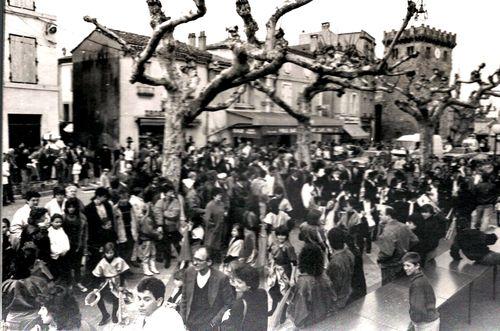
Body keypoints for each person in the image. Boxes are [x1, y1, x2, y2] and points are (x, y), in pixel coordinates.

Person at [180, 246, 235, 331]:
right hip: (190, 322)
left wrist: (214, 322)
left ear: (209, 262)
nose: (195, 263)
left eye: (199, 260)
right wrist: (183, 319)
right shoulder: (189, 272)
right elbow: (184, 298)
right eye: (194, 259)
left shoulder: (221, 278)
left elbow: (229, 303)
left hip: (208, 325)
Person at [287, 243, 336, 328]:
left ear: (303, 260)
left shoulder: (303, 281)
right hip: (324, 318)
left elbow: (299, 312)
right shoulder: (324, 276)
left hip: (310, 323)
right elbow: (332, 297)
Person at [377, 207, 419, 285]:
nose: (379, 216)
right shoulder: (404, 226)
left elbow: (387, 253)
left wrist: (379, 258)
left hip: (389, 265)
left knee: (387, 287)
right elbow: (415, 239)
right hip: (402, 261)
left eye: (381, 214)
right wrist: (404, 249)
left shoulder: (388, 231)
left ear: (388, 216)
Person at [90, 242, 129, 326]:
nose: (109, 254)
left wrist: (122, 285)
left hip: (117, 281)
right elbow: (96, 275)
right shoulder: (102, 262)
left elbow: (123, 273)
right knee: (98, 296)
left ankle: (114, 314)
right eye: (107, 253)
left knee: (116, 298)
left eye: (111, 252)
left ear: (114, 252)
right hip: (106, 282)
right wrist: (96, 287)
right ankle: (105, 315)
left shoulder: (119, 260)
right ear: (104, 253)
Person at [221, 264, 268, 331]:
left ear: (249, 285)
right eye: (235, 281)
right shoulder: (263, 293)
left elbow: (229, 327)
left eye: (239, 282)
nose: (235, 284)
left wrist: (224, 318)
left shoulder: (240, 304)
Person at [402, 252, 440, 331]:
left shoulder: (417, 284)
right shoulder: (421, 278)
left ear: (417, 266)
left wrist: (414, 320)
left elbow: (418, 307)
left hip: (426, 325)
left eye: (408, 265)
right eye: (404, 265)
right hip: (431, 320)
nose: (405, 268)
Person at [63, 197, 89, 292]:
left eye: (73, 207)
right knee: (67, 266)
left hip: (78, 246)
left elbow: (85, 234)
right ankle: (69, 284)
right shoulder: (63, 218)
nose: (71, 209)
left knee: (77, 266)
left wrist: (84, 247)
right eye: (69, 207)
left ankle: (78, 282)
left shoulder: (82, 217)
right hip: (66, 246)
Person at [153, 183, 181, 268]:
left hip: (173, 226)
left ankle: (183, 259)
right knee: (166, 245)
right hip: (164, 227)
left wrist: (164, 213)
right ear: (165, 192)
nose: (171, 193)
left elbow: (175, 213)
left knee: (177, 244)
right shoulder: (160, 202)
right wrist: (160, 224)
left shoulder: (175, 201)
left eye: (172, 191)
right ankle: (167, 261)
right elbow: (157, 214)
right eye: (169, 191)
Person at [326, 227, 355, 309]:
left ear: (330, 242)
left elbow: (334, 285)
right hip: (347, 292)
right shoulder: (349, 253)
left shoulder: (335, 262)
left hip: (338, 300)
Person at [47, 214, 71, 282]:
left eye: (60, 222)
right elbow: (51, 245)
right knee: (56, 272)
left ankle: (66, 283)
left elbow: (66, 240)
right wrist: (59, 252)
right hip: (56, 256)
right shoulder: (49, 232)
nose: (58, 224)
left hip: (64, 254)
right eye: (56, 222)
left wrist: (66, 249)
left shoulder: (61, 230)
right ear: (51, 222)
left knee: (65, 270)